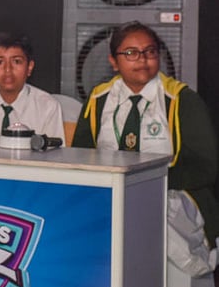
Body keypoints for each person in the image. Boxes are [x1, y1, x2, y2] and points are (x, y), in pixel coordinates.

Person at [72, 21, 219, 248]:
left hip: (173, 194)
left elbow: (205, 168)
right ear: (114, 61)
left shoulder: (182, 100)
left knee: (142, 220)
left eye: (149, 51)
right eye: (131, 53)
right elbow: (81, 156)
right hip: (111, 193)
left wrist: (145, 183)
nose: (142, 59)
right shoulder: (98, 99)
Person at [0, 33, 64, 142]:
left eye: (16, 61)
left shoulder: (48, 107)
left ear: (29, 67)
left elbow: (54, 152)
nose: (8, 69)